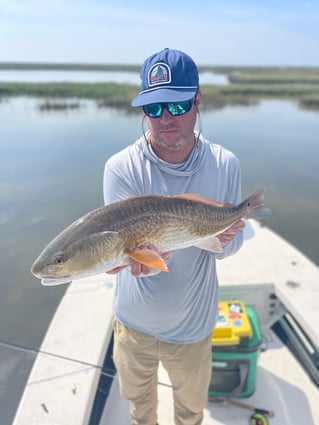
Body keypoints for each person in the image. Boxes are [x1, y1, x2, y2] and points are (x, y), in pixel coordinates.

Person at [103, 48, 245, 425]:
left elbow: (228, 249)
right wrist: (138, 262)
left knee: (190, 411)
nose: (165, 119)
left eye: (177, 106)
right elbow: (130, 254)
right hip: (133, 326)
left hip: (193, 329)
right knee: (140, 410)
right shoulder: (120, 168)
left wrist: (226, 239)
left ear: (198, 101)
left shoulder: (224, 164)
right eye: (153, 108)